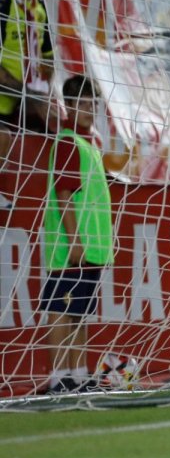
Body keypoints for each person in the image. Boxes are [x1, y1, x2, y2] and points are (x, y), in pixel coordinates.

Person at [40, 75, 114, 394]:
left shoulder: (89, 145)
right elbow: (65, 195)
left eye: (92, 104)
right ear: (67, 107)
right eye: (81, 104)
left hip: (90, 248)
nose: (87, 110)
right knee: (61, 309)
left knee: (79, 312)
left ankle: (80, 374)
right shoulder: (69, 142)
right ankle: (59, 377)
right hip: (71, 247)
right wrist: (75, 241)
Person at [0, 0, 53, 209]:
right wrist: (27, 93)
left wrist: (44, 89)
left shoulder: (38, 6)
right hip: (8, 95)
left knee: (61, 129)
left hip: (25, 98)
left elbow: (49, 56)